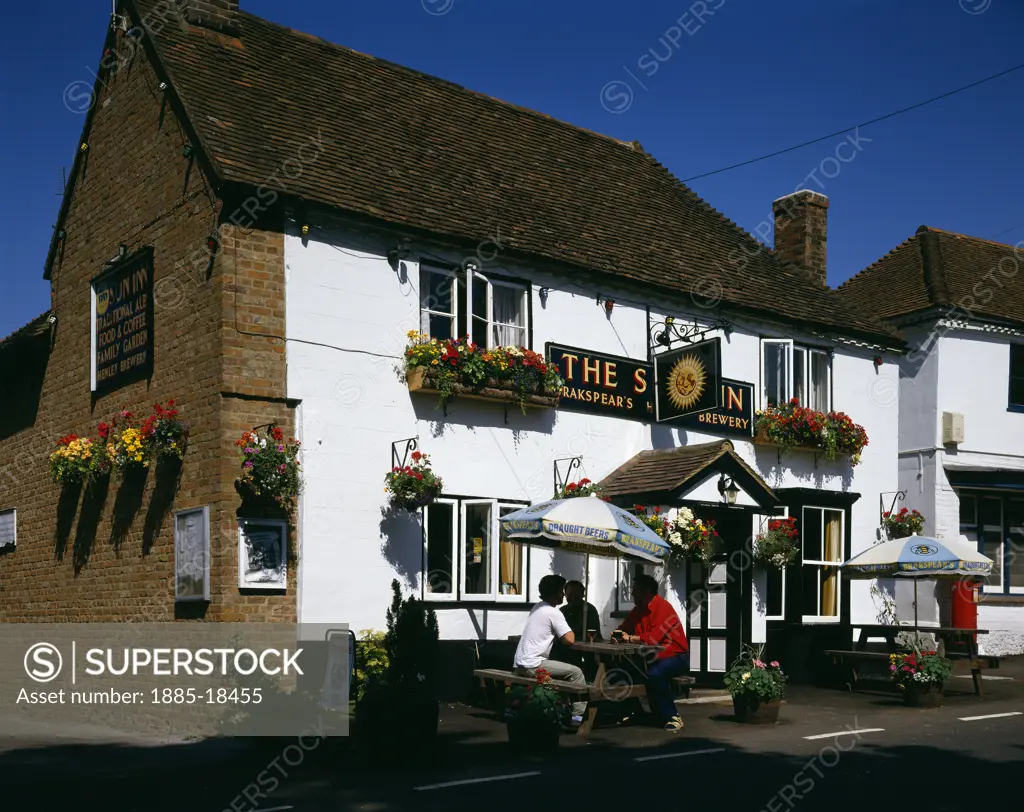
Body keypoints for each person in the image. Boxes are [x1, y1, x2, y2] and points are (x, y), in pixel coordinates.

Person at [614, 573, 690, 731]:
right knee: (618, 671)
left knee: (654, 674)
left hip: (676, 656)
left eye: (635, 590)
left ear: (646, 591)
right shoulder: (638, 609)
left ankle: (673, 716)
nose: (632, 593)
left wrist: (628, 638)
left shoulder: (663, 607)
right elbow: (624, 628)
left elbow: (653, 639)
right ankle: (636, 711)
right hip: (651, 657)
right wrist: (616, 634)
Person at [513, 574, 588, 724]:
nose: (564, 595)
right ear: (555, 593)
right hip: (533, 664)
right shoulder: (553, 612)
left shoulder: (537, 607)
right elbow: (569, 639)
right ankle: (578, 717)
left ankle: (560, 710)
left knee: (561, 669)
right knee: (577, 672)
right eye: (562, 591)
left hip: (519, 663)